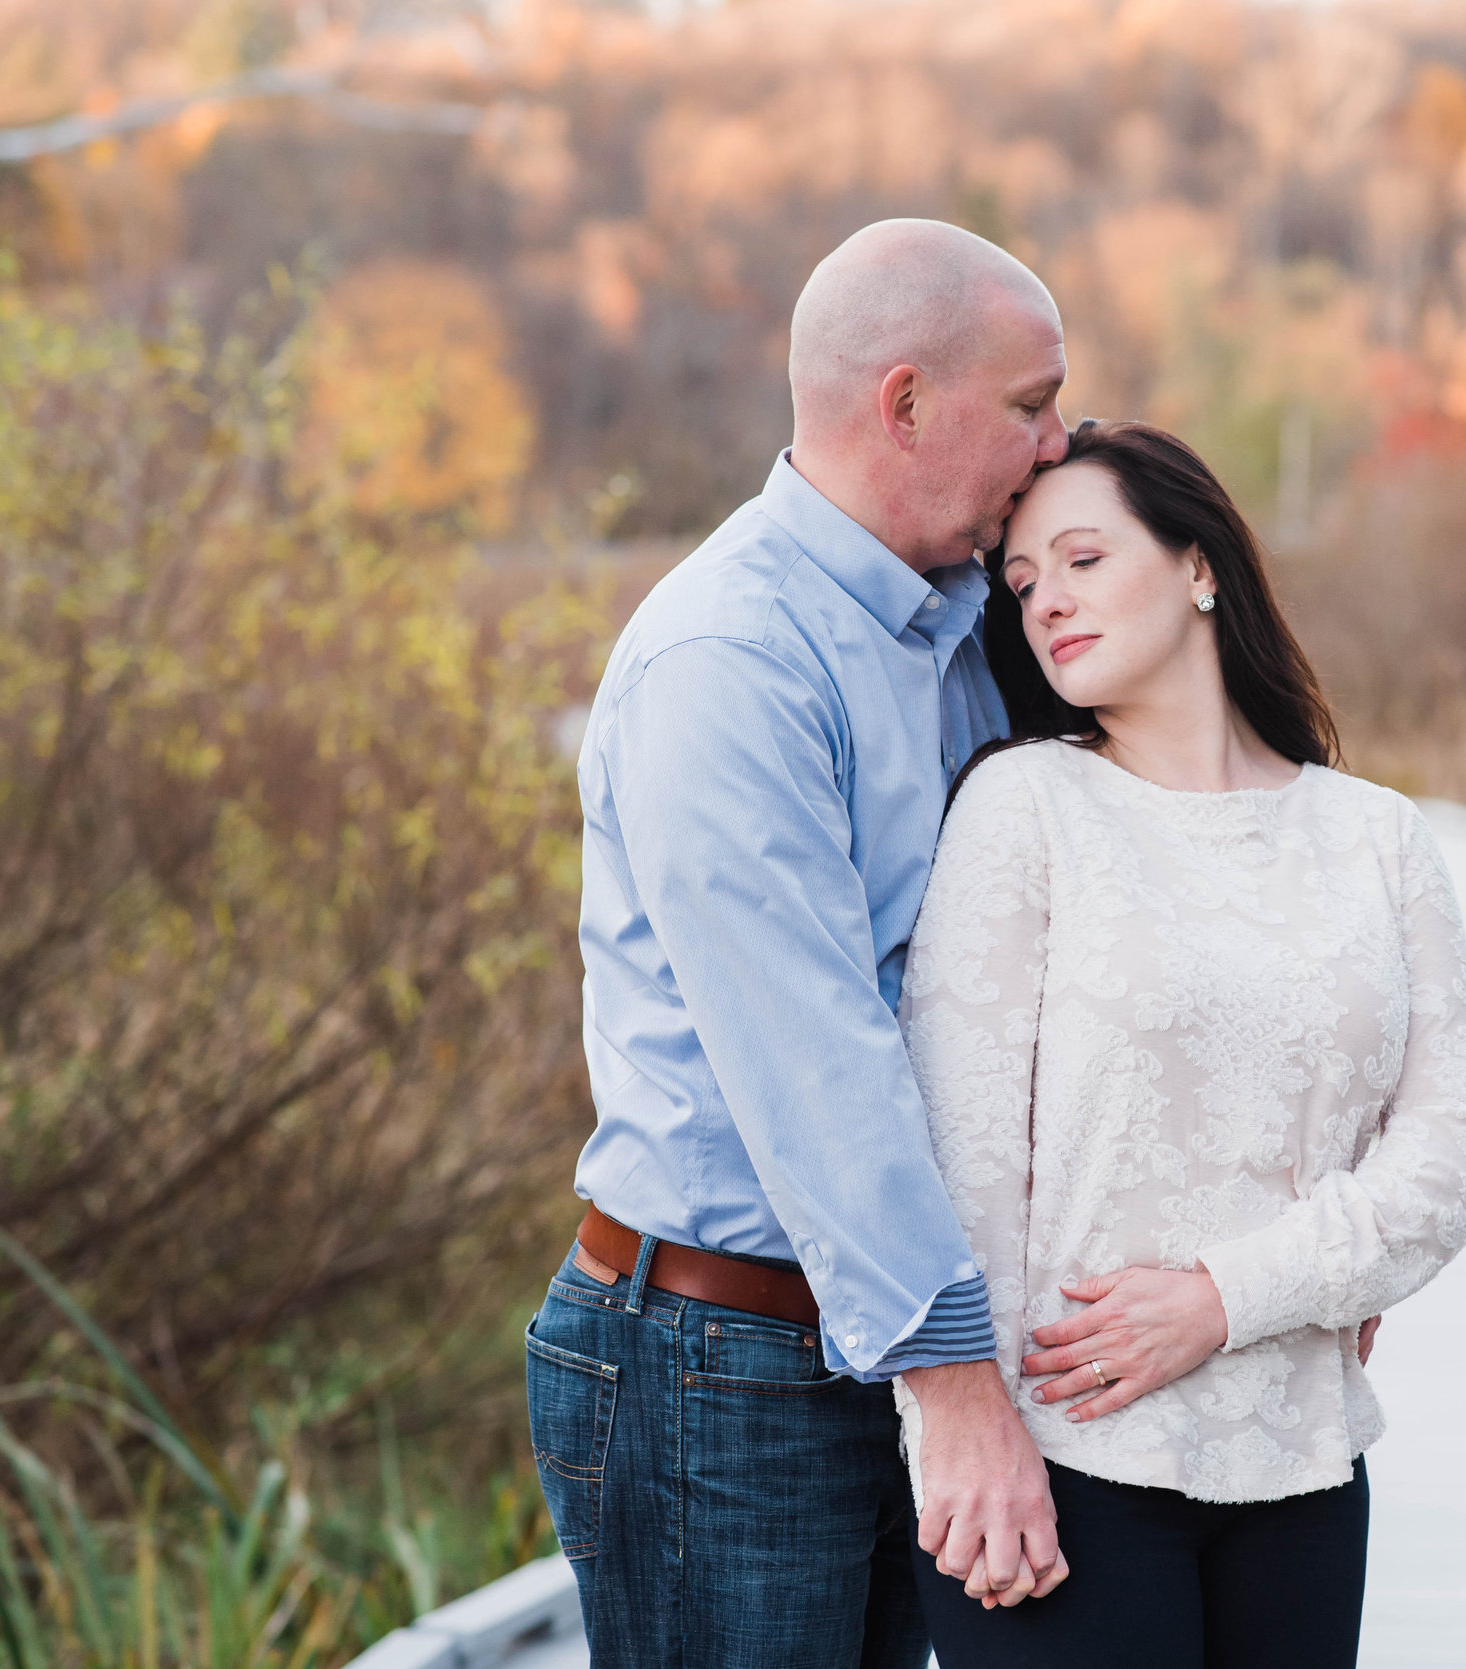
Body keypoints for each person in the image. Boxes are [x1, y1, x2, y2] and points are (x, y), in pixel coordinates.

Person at [525, 219, 1077, 1669]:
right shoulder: (733, 661)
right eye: (1031, 404)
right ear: (905, 402)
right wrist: (958, 1390)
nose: (1058, 438)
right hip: (722, 1364)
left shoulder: (970, 627)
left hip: (877, 1338)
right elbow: (818, 1066)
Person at [897, 419, 1466, 1668]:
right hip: (1064, 1460)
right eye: (1020, 585)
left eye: (1079, 560)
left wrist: (1230, 1300)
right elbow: (962, 1163)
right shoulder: (1026, 807)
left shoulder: (1376, 838)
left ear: (1197, 566)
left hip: (1303, 1454)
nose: (1044, 604)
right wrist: (964, 1438)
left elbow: (1450, 1153)